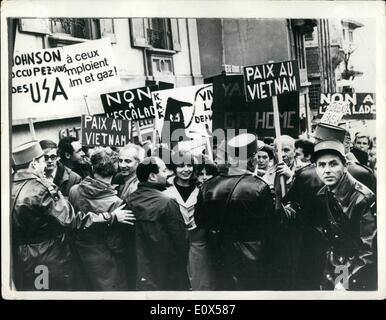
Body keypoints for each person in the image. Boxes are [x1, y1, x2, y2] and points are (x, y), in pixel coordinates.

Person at [11, 141, 130, 290]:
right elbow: (71, 220)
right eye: (42, 161)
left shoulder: (7, 186)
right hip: (47, 256)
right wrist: (110, 217)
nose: (45, 166)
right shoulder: (42, 188)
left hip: (19, 256)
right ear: (34, 163)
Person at [195, 133, 275, 290]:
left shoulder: (208, 186)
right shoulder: (259, 186)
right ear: (252, 160)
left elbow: (200, 221)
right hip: (254, 255)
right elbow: (271, 225)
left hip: (219, 253)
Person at [68, 149, 136, 291]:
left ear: (93, 168)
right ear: (115, 168)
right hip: (106, 259)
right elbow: (116, 242)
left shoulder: (74, 190)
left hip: (80, 252)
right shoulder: (117, 203)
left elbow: (72, 221)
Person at [313, 139, 377, 290]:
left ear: (345, 166)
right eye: (321, 165)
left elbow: (368, 250)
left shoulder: (363, 199)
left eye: (333, 164)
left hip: (353, 268)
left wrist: (345, 282)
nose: (327, 170)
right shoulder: (324, 193)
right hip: (334, 264)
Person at [126, 156, 190, 290]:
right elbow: (181, 240)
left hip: (138, 268)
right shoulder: (167, 202)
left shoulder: (129, 200)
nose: (167, 174)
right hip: (167, 269)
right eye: (164, 170)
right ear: (152, 176)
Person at [163, 151, 215, 290]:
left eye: (189, 165)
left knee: (201, 283)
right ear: (174, 169)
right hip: (173, 245)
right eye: (180, 166)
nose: (186, 170)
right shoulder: (164, 191)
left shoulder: (203, 190)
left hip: (198, 245)